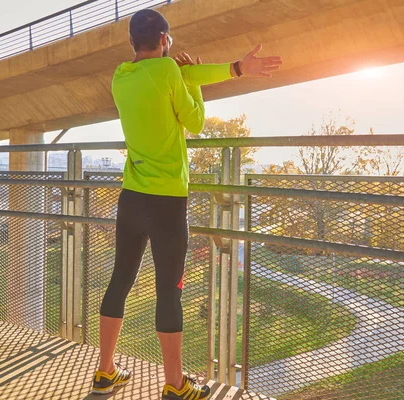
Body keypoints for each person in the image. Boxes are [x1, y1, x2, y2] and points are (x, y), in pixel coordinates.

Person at [90, 8, 282, 400]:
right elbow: (194, 121)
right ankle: (176, 384)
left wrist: (232, 68)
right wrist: (215, 78)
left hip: (131, 198)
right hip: (166, 203)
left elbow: (175, 74)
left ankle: (105, 371)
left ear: (132, 43)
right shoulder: (170, 74)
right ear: (164, 40)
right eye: (170, 40)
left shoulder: (121, 76)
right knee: (169, 291)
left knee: (120, 280)